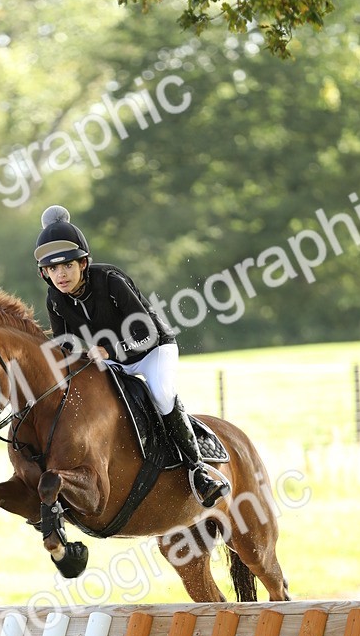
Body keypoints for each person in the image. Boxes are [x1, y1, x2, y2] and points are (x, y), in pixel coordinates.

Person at [34, 204, 230, 508]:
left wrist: (109, 350)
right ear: (45, 272)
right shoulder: (55, 299)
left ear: (83, 264)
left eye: (68, 266)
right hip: (110, 359)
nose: (61, 275)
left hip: (152, 349)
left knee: (162, 395)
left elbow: (146, 332)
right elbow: (65, 345)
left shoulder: (110, 280)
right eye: (53, 269)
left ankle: (198, 472)